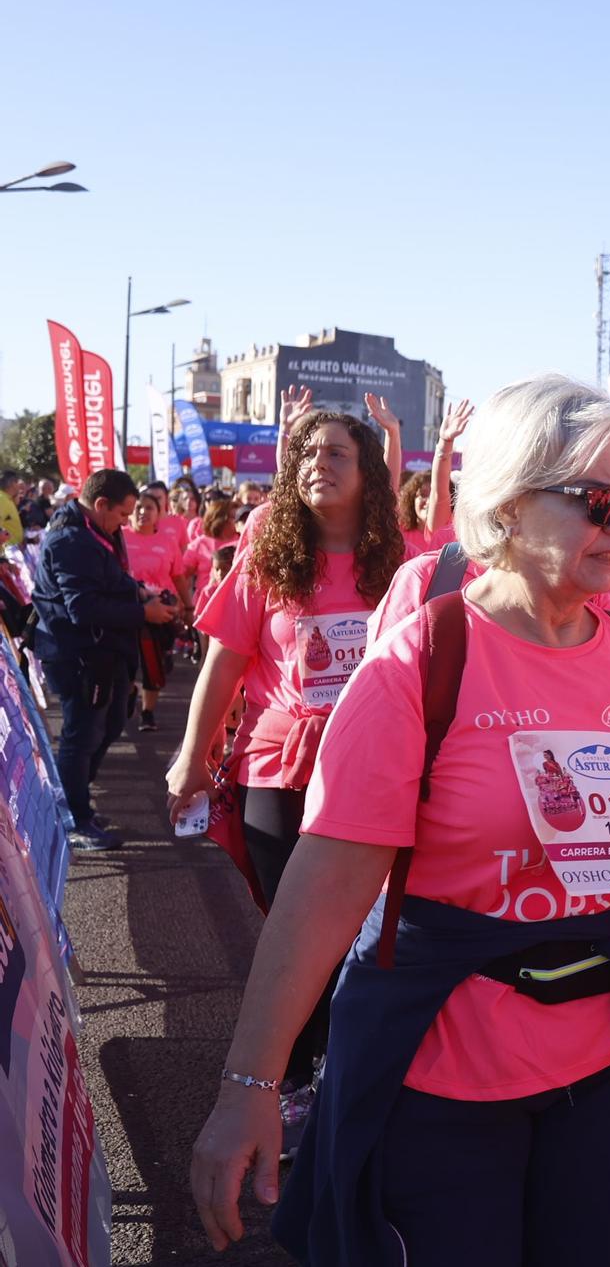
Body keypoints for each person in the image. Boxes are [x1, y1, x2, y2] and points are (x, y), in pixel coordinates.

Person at [188, 375, 610, 1265]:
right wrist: (249, 1084)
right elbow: (325, 887)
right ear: (504, 502)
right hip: (448, 1065)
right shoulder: (422, 660)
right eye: (597, 500)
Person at [167, 411, 405, 1151]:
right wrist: (190, 756)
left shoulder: (404, 568)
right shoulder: (268, 559)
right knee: (295, 929)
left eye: (337, 452)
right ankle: (294, 1079)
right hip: (278, 766)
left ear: (369, 474)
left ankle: (343, 1071)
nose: (317, 462)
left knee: (363, 933)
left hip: (370, 775)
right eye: (305, 451)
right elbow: (225, 661)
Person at [30, 469, 178, 850]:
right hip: (76, 654)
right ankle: (73, 819)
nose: (127, 522)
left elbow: (111, 579)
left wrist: (142, 591)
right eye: (123, 514)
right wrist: (143, 613)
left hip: (101, 652)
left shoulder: (94, 529)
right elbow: (82, 607)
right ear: (100, 505)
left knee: (110, 724)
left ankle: (79, 805)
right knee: (81, 736)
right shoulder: (71, 539)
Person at [125, 488, 194, 732]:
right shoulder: (119, 538)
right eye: (138, 508)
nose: (143, 512)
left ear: (159, 514)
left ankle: (147, 712)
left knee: (154, 663)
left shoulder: (167, 542)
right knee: (125, 663)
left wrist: (188, 606)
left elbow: (179, 577)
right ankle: (129, 690)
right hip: (126, 610)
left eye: (149, 508)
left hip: (161, 611)